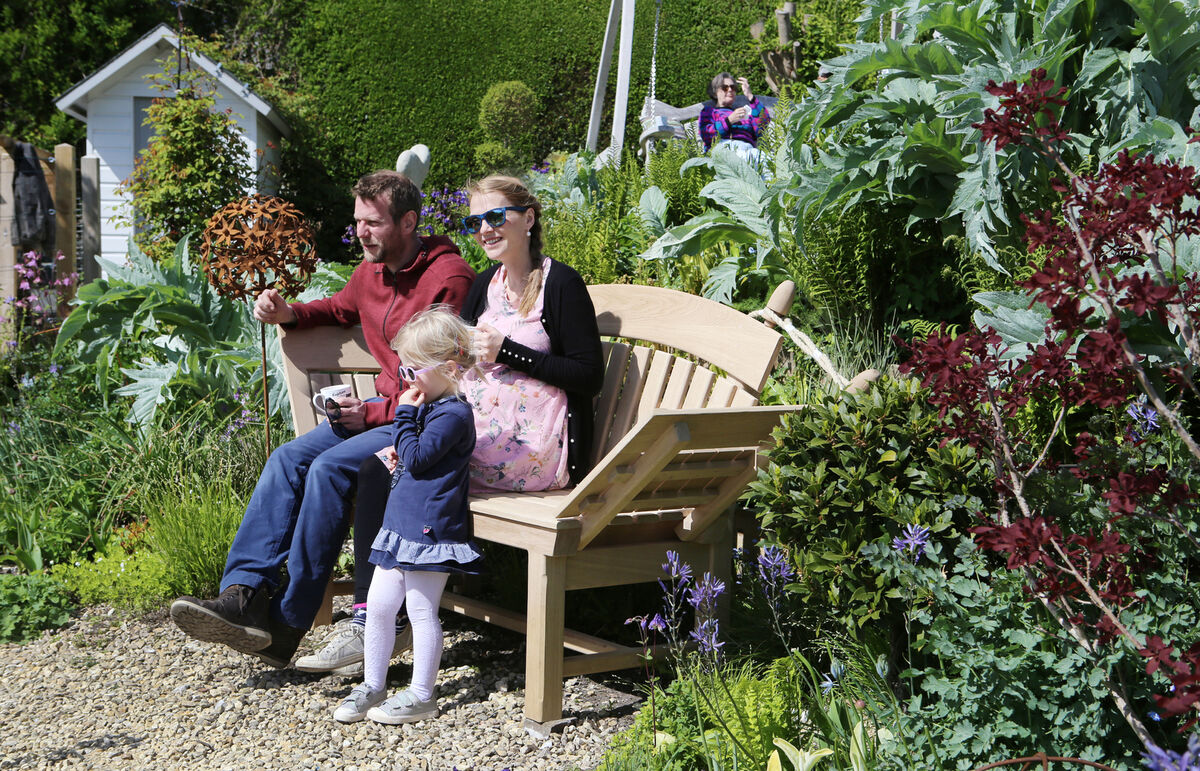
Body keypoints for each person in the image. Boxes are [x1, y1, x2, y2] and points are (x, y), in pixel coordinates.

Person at [295, 174, 606, 675]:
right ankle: (373, 615)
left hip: (532, 447)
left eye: (495, 217)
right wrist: (418, 391)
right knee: (384, 466)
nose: (484, 229)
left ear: (528, 219)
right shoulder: (486, 286)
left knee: (401, 472)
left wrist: (511, 353)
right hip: (479, 429)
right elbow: (453, 359)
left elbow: (588, 376)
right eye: (474, 220)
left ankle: (386, 618)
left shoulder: (561, 284)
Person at [170, 170, 476, 668]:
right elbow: (336, 309)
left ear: (409, 222)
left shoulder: (448, 278)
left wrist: (375, 412)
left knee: (329, 468)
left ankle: (287, 624)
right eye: (357, 221)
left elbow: (442, 374)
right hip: (376, 416)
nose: (361, 232)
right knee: (288, 457)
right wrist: (287, 312)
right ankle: (243, 596)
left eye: (373, 223)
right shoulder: (368, 273)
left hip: (417, 421)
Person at [332, 306, 481, 724]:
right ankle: (373, 684)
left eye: (414, 370)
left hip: (431, 529)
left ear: (449, 368)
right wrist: (407, 433)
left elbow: (417, 458)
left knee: (420, 610)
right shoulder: (432, 407)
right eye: (405, 370)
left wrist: (404, 416)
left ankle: (421, 693)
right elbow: (416, 455)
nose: (407, 380)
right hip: (401, 525)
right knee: (378, 607)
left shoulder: (452, 413)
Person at [698, 72, 771, 166]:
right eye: (725, 87)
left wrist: (750, 96)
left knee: (767, 161)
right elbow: (706, 134)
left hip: (749, 151)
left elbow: (763, 123)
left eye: (733, 87)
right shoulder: (710, 112)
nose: (730, 90)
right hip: (724, 150)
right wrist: (729, 121)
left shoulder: (744, 113)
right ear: (715, 92)